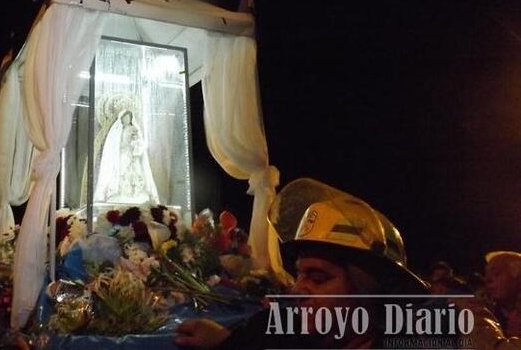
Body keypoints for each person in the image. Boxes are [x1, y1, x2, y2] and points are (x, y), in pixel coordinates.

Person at [175, 177, 428, 349]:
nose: (297, 290)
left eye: (318, 278)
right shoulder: (284, 331)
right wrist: (223, 339)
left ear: (367, 291)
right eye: (299, 275)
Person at [94, 109, 160, 204]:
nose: (126, 119)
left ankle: (135, 192)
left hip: (133, 155)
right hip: (122, 156)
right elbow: (113, 146)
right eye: (125, 117)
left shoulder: (134, 129)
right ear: (121, 119)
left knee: (136, 172)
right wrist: (121, 147)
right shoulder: (117, 131)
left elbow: (139, 142)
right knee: (123, 172)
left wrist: (135, 146)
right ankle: (122, 192)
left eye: (128, 117)